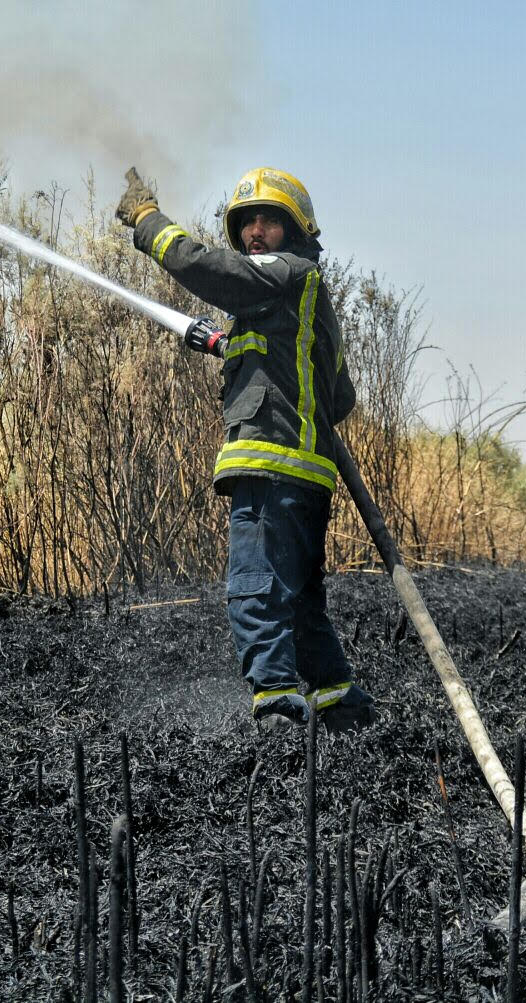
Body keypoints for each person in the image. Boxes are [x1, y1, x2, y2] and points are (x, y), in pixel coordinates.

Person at [116, 166, 375, 732]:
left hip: (269, 466)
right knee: (300, 602)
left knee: (253, 590)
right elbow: (342, 396)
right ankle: (343, 705)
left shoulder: (285, 272)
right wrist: (237, 347)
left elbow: (209, 270)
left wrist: (147, 221)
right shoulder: (296, 300)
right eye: (247, 222)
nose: (256, 231)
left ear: (296, 231)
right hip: (306, 480)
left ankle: (279, 715)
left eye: (270, 221)